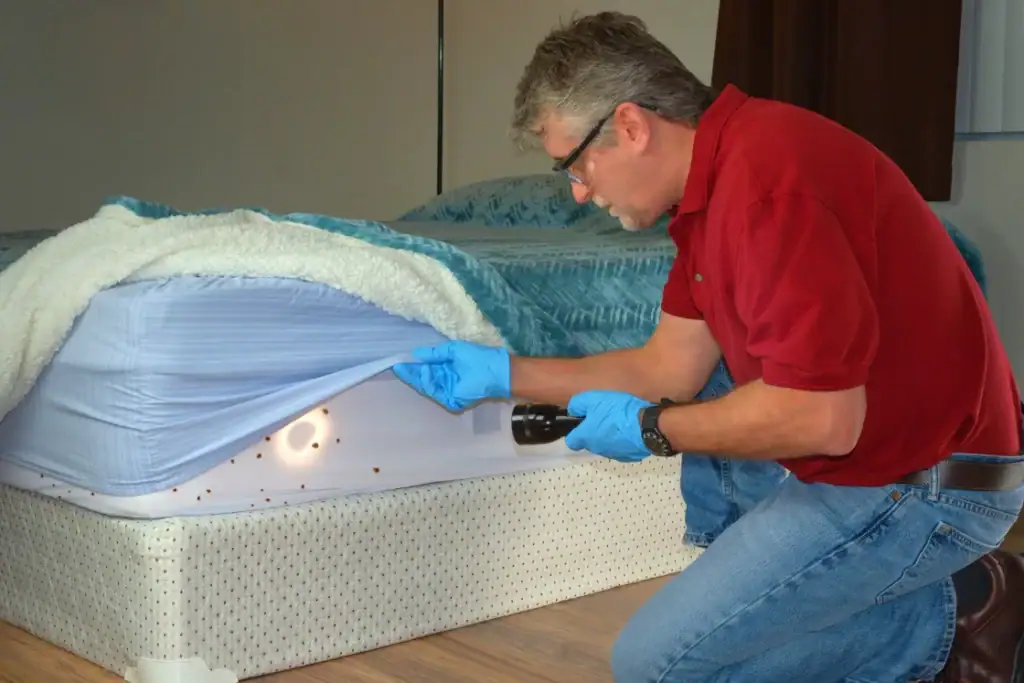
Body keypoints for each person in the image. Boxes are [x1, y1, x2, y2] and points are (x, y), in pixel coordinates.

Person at [392, 11, 1024, 683]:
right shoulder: (711, 195)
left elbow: (822, 420)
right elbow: (665, 365)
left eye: (574, 165)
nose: (579, 192)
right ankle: (937, 610)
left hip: (927, 487)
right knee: (704, 652)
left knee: (659, 665)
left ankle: (962, 616)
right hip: (869, 473)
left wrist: (653, 428)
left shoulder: (766, 182)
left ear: (631, 126)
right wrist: (500, 372)